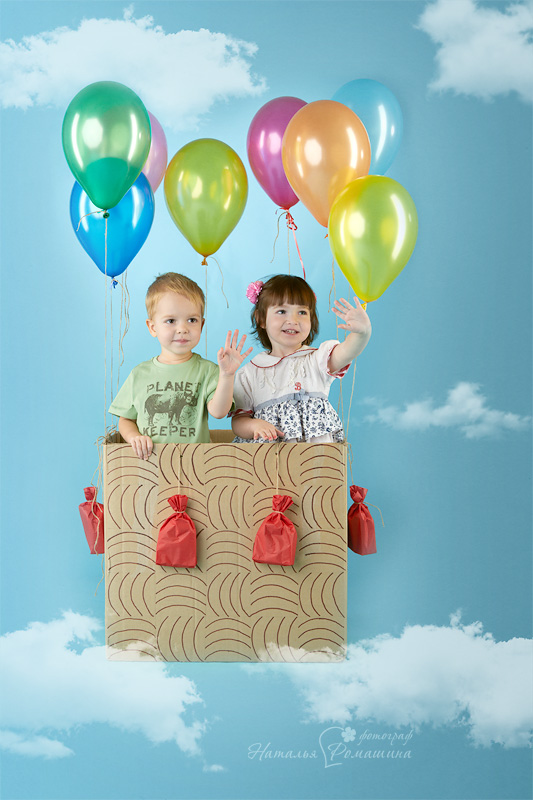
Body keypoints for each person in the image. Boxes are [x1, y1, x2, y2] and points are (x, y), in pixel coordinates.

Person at [109, 272, 251, 459]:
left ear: (201, 325)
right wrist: (134, 437)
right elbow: (126, 419)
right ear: (153, 327)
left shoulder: (208, 371)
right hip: (150, 463)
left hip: (194, 463)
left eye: (192, 320)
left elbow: (218, 412)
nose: (182, 329)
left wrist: (227, 375)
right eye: (170, 321)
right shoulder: (139, 374)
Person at [230, 274, 371, 443]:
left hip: (316, 456)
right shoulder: (249, 373)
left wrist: (362, 333)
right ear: (261, 319)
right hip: (271, 457)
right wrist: (254, 425)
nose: (293, 320)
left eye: (302, 312)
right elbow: (238, 421)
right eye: (282, 311)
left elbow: (347, 352)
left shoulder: (316, 359)